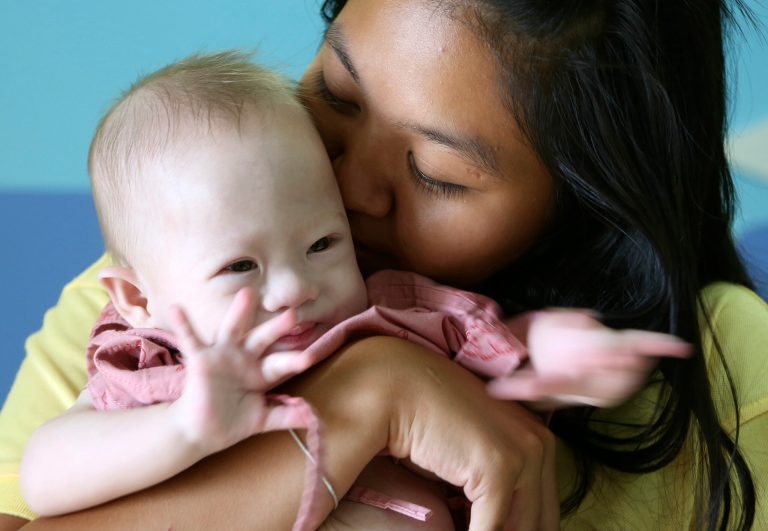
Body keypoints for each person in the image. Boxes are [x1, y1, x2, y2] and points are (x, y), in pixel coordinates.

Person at [2, 0, 767, 529]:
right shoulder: (173, 295)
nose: (343, 188)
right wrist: (375, 395)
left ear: (589, 205)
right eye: (336, 94)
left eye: (435, 173)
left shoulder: (741, 386)